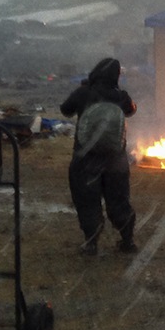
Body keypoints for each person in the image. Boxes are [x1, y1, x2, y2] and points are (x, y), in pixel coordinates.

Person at [59, 57, 138, 255]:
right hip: (116, 159)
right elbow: (131, 110)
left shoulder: (84, 92)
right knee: (119, 199)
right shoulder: (121, 96)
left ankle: (91, 243)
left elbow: (65, 110)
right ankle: (127, 241)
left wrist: (83, 92)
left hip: (86, 158)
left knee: (87, 200)